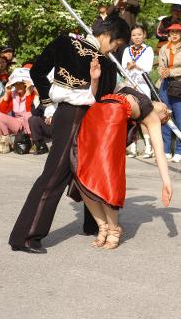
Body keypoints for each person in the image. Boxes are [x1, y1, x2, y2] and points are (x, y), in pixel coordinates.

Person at [8, 16, 131, 254]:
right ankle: (25, 235)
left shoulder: (70, 45)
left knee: (87, 169)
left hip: (76, 115)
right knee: (56, 174)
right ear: (108, 35)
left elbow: (38, 72)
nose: (115, 49)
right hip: (74, 116)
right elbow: (101, 99)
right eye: (116, 44)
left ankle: (93, 224)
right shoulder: (101, 61)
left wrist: (49, 101)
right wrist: (50, 104)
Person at [68, 58, 172, 250]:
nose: (166, 111)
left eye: (166, 115)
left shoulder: (151, 119)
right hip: (93, 119)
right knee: (78, 175)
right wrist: (95, 80)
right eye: (166, 109)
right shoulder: (138, 92)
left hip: (109, 126)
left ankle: (113, 229)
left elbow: (159, 152)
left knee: (106, 180)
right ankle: (103, 225)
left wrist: (166, 182)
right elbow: (94, 96)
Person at [158, 20, 181, 162]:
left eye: (177, 32)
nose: (174, 34)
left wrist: (170, 72)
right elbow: (160, 66)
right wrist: (163, 72)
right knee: (164, 117)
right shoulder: (163, 48)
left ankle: (180, 150)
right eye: (172, 32)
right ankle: (166, 149)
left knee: (180, 119)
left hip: (179, 85)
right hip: (165, 85)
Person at [121, 25, 154, 158]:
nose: (136, 37)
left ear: (144, 35)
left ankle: (148, 146)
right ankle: (132, 145)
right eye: (134, 35)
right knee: (129, 116)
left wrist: (137, 66)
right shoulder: (127, 50)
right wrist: (128, 68)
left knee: (144, 116)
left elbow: (148, 68)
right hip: (130, 85)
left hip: (142, 86)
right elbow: (122, 67)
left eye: (139, 34)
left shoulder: (148, 49)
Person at [0, 68, 35, 137]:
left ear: (26, 84)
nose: (18, 86)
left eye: (20, 83)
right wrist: (7, 94)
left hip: (29, 125)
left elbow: (29, 111)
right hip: (17, 124)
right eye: (15, 84)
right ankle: (7, 138)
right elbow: (3, 111)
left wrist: (28, 92)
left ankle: (30, 138)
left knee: (27, 115)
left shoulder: (33, 94)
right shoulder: (13, 94)